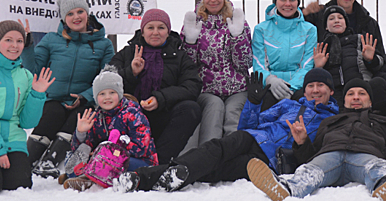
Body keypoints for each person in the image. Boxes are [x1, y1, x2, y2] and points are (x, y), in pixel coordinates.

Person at [115, 68, 340, 192]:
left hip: (272, 161)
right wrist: (252, 104)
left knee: (216, 170)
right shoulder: (290, 104)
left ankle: (164, 177)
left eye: (321, 85)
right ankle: (142, 178)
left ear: (330, 90)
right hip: (252, 137)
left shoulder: (332, 120)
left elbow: (313, 156)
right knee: (214, 149)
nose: (315, 90)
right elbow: (247, 127)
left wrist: (301, 142)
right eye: (311, 85)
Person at [247, 78, 386, 201]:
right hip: (330, 157)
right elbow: (310, 155)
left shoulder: (385, 122)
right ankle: (286, 188)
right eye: (351, 94)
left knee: (377, 167)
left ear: (371, 101)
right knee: (310, 170)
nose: (356, 97)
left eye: (362, 94)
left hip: (365, 156)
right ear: (345, 101)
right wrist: (302, 142)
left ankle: (385, 185)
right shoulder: (329, 121)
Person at [22, 0, 115, 177]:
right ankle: (27, 159)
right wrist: (27, 47)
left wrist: (84, 96)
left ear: (88, 14)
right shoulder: (51, 40)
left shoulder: (104, 45)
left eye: (80, 11)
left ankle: (50, 160)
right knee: (52, 114)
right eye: (70, 13)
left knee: (77, 118)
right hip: (53, 98)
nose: (76, 17)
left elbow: (106, 79)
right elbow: (33, 70)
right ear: (64, 18)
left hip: (84, 101)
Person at [109, 9, 202, 164]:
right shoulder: (128, 52)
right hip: (130, 118)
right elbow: (107, 79)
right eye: (150, 28)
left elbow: (192, 86)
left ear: (168, 31)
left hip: (162, 115)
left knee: (191, 109)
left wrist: (161, 98)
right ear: (143, 31)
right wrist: (131, 72)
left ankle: (159, 162)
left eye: (161, 27)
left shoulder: (179, 56)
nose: (155, 32)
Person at [0, 21, 53, 196]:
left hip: (13, 140)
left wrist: (37, 95)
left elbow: (27, 122)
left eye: (19, 41)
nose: (14, 45)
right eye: (8, 40)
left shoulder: (25, 75)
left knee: (20, 185)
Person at [181, 0, 253, 146]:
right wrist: (190, 42)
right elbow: (188, 66)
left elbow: (245, 63)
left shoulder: (237, 20)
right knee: (214, 111)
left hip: (237, 88)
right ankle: (208, 158)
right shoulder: (194, 22)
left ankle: (233, 158)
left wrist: (237, 38)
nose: (213, 0)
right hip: (206, 89)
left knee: (232, 116)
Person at [61, 66, 158, 191]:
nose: (107, 97)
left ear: (120, 93)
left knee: (106, 162)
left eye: (112, 93)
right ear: (96, 97)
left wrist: (112, 148)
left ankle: (87, 178)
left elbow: (141, 148)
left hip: (139, 161)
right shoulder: (97, 117)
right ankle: (87, 174)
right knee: (76, 156)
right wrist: (81, 133)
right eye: (102, 94)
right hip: (105, 159)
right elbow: (83, 147)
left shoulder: (132, 114)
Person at [252, 0, 318, 110]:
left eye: (292, 0)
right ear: (275, 1)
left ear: (298, 2)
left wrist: (291, 88)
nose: (287, 4)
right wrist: (270, 81)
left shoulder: (309, 30)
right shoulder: (261, 30)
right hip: (270, 85)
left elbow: (307, 65)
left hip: (298, 87)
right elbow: (258, 64)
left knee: (302, 109)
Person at [313, 5, 384, 107]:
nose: (336, 21)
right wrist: (318, 67)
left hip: (360, 87)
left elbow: (380, 63)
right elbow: (314, 78)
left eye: (340, 18)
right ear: (326, 27)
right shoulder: (322, 47)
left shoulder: (360, 40)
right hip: (335, 92)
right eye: (331, 19)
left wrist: (370, 60)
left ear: (346, 24)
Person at [303, 0, 386, 55]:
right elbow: (294, 28)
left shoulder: (368, 23)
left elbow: (381, 57)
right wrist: (304, 13)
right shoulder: (318, 16)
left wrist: (370, 61)